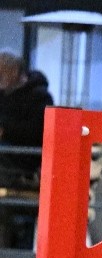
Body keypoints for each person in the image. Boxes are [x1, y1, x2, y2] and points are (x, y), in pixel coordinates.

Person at [0, 51, 52, 191]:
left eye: (1, 72)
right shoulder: (3, 94)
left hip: (25, 156)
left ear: (14, 71)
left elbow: (37, 131)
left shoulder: (40, 97)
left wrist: (6, 130)